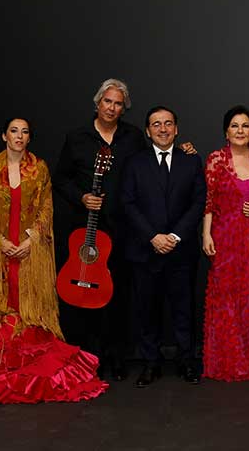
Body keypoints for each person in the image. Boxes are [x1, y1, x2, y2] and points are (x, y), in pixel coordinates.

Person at [0, 118, 108, 405]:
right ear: (4, 135)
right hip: (0, 252)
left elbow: (47, 208)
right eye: (14, 131)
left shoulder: (41, 168)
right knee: (3, 302)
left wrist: (30, 240)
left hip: (31, 251)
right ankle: (3, 364)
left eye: (24, 132)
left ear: (29, 138)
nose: (19, 136)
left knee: (30, 306)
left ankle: (34, 369)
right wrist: (0, 241)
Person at [53, 78, 147, 381]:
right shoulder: (77, 137)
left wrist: (184, 149)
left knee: (117, 297)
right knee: (81, 299)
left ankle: (115, 358)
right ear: (97, 103)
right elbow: (61, 179)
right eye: (108, 101)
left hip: (121, 230)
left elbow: (149, 170)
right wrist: (82, 197)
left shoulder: (132, 138)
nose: (112, 107)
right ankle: (83, 358)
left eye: (118, 103)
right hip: (85, 230)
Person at [121, 106, 206, 387]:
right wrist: (153, 237)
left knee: (183, 310)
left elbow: (198, 202)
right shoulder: (135, 163)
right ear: (148, 131)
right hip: (145, 251)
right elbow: (128, 203)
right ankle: (150, 363)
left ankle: (186, 361)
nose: (163, 128)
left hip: (181, 251)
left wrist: (175, 236)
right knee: (147, 311)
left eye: (168, 123)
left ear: (177, 128)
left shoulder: (191, 161)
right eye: (156, 124)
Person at [201, 105, 249, 381]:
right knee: (228, 299)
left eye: (245, 126)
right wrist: (206, 234)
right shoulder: (215, 159)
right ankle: (229, 360)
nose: (240, 131)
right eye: (235, 125)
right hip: (226, 239)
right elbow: (208, 200)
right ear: (226, 131)